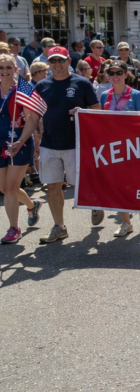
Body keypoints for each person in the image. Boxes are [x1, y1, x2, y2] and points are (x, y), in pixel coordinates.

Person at [34, 47, 101, 243]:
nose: (57, 64)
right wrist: (24, 140)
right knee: (53, 186)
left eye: (61, 60)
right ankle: (59, 227)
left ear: (68, 61)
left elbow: (97, 110)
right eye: (53, 61)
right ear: (48, 63)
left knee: (77, 184)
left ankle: (95, 203)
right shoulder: (41, 86)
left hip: (76, 144)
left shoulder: (81, 83)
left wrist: (83, 111)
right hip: (49, 144)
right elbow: (33, 118)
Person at [96, 60, 140, 236]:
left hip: (134, 147)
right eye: (111, 73)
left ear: (126, 74)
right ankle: (126, 223)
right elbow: (101, 120)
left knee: (135, 182)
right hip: (113, 147)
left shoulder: (135, 95)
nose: (115, 76)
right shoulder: (105, 95)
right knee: (117, 184)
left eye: (119, 73)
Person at [0, 54, 43, 245]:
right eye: (1, 68)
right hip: (0, 141)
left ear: (15, 69)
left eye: (8, 67)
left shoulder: (22, 90)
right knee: (4, 188)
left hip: (20, 142)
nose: (4, 71)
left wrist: (22, 139)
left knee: (10, 187)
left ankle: (13, 228)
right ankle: (33, 206)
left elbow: (32, 119)